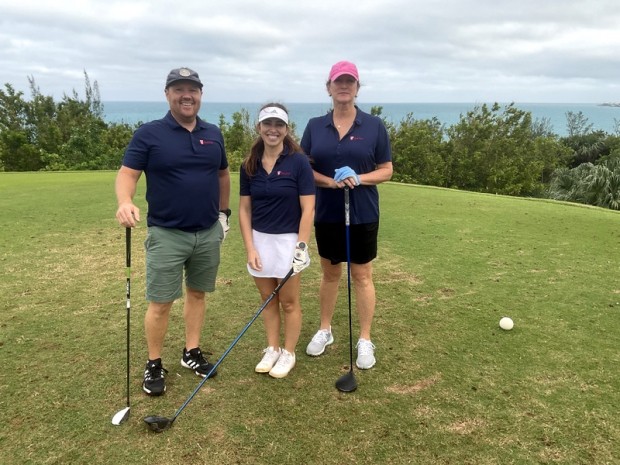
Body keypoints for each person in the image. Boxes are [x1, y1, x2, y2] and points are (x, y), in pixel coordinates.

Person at [115, 67, 231, 396]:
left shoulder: (214, 133)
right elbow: (128, 174)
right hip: (167, 233)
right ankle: (154, 362)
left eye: (192, 89)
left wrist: (224, 214)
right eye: (179, 88)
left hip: (207, 232)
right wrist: (125, 201)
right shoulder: (149, 134)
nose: (186, 95)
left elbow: (223, 175)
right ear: (167, 94)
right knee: (161, 302)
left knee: (197, 294)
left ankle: (191, 353)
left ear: (200, 94)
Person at [300, 61, 393, 369]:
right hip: (327, 211)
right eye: (338, 82)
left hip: (363, 211)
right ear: (329, 87)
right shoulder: (315, 126)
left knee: (362, 275)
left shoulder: (374, 125)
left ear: (357, 88)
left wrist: (359, 178)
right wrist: (330, 182)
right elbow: (304, 169)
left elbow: (386, 170)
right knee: (330, 274)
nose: (344, 86)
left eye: (349, 82)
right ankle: (325, 330)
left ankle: (365, 339)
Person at [239, 103, 315, 378]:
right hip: (260, 240)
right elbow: (245, 210)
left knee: (290, 302)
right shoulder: (249, 164)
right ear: (259, 127)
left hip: (289, 242)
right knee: (267, 300)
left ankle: (288, 353)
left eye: (279, 125)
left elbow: (308, 208)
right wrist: (250, 247)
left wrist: (301, 247)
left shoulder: (298, 163)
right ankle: (272, 348)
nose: (273, 129)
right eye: (268, 124)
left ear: (286, 129)